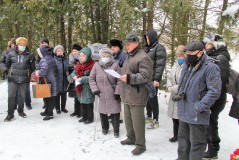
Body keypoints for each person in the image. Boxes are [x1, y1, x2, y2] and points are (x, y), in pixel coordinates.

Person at [176, 41, 222, 160]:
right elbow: (182, 84)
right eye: (187, 52)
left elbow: (214, 91)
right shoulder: (187, 65)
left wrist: (200, 106)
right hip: (183, 110)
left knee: (197, 146)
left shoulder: (211, 67)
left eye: (191, 52)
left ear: (200, 53)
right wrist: (179, 95)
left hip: (197, 114)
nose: (187, 55)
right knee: (182, 143)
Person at [120, 33, 153, 155]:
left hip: (137, 95)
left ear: (136, 43)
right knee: (128, 120)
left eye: (129, 43)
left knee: (138, 122)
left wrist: (128, 78)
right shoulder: (129, 55)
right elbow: (125, 70)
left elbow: (146, 76)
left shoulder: (143, 57)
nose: (126, 45)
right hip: (126, 93)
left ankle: (141, 145)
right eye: (126, 43)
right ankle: (131, 138)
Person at [203, 33, 231, 159]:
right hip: (209, 95)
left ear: (215, 45)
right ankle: (206, 145)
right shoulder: (212, 55)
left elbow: (220, 79)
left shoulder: (221, 58)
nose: (206, 46)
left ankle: (213, 150)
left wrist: (211, 97)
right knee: (207, 122)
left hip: (216, 97)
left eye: (209, 44)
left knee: (211, 123)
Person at [89, 48, 121, 138]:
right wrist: (95, 89)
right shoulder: (96, 65)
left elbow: (120, 80)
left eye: (107, 56)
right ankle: (105, 128)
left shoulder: (115, 65)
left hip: (112, 92)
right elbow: (91, 78)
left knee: (115, 112)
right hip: (100, 93)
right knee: (102, 111)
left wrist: (117, 92)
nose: (105, 57)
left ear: (111, 57)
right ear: (100, 56)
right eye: (103, 56)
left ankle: (116, 130)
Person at [4, 37, 36, 121]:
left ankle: (21, 111)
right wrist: (8, 72)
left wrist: (28, 71)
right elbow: (7, 65)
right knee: (11, 97)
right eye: (20, 45)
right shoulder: (11, 54)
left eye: (24, 45)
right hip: (13, 79)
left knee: (22, 97)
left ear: (26, 45)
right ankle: (10, 114)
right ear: (17, 45)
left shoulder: (30, 55)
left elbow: (33, 68)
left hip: (24, 80)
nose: (22, 46)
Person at [144, 29, 166, 129]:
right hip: (146, 78)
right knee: (147, 98)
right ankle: (149, 116)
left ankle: (156, 119)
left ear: (152, 38)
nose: (147, 40)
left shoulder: (159, 48)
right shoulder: (147, 48)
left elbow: (160, 65)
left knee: (153, 98)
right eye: (146, 38)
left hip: (153, 79)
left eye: (148, 38)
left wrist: (157, 79)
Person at [71, 48, 95, 124]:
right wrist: (74, 76)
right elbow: (73, 73)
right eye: (80, 56)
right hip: (80, 87)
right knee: (82, 103)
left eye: (83, 56)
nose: (81, 57)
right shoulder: (79, 64)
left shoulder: (93, 65)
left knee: (88, 104)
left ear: (88, 56)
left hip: (88, 88)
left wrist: (82, 79)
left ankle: (90, 118)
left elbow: (93, 77)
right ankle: (84, 117)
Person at [167, 45, 185, 142]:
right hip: (173, 94)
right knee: (174, 117)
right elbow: (169, 77)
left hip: (181, 95)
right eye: (178, 56)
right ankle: (176, 135)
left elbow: (184, 82)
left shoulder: (187, 66)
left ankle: (182, 136)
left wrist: (174, 88)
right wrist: (169, 86)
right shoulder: (175, 65)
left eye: (181, 56)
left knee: (180, 117)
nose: (179, 58)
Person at [35, 45, 57, 121]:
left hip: (48, 81)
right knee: (48, 97)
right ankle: (47, 111)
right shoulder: (51, 58)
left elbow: (43, 71)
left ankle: (50, 114)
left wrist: (38, 72)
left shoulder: (44, 60)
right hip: (51, 80)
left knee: (49, 98)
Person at [109, 38, 126, 123]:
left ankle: (119, 118)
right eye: (111, 47)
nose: (112, 48)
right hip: (111, 80)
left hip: (120, 80)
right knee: (112, 98)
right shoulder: (111, 55)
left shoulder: (123, 56)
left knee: (117, 98)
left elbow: (125, 68)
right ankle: (112, 114)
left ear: (119, 47)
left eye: (114, 47)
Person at [68, 43, 82, 117]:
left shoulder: (81, 59)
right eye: (73, 51)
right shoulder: (70, 58)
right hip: (72, 80)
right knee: (75, 96)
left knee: (79, 96)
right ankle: (76, 111)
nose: (74, 53)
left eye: (76, 51)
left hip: (79, 79)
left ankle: (80, 112)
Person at [54, 45, 69, 114]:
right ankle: (57, 108)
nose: (60, 52)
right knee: (57, 95)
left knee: (64, 95)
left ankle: (63, 107)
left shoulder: (66, 59)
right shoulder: (54, 59)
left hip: (64, 80)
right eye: (58, 51)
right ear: (56, 52)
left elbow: (69, 67)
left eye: (61, 51)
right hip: (57, 80)